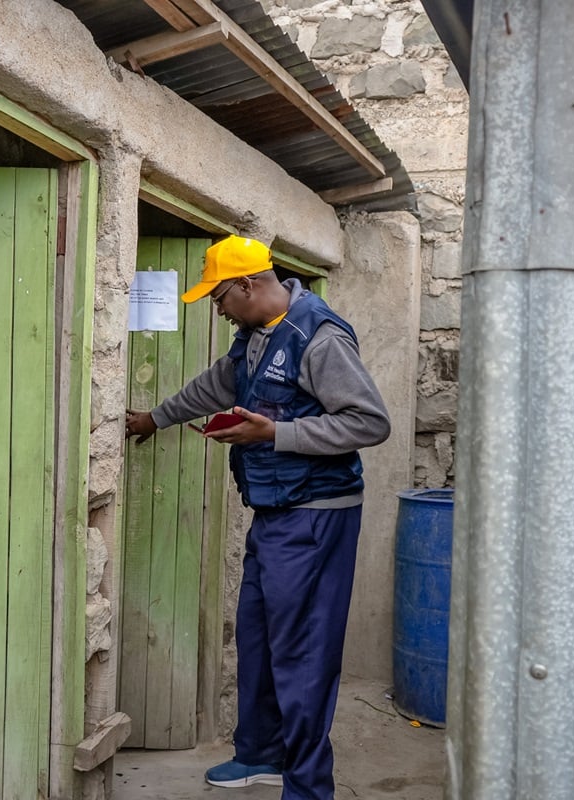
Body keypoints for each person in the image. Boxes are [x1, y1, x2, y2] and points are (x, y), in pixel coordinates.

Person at [125, 235, 390, 800]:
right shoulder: (253, 337)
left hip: (316, 517)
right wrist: (155, 417)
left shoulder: (317, 337)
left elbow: (369, 422)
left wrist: (277, 433)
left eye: (219, 297)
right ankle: (262, 755)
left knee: (302, 651)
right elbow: (214, 386)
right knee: (259, 638)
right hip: (273, 512)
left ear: (248, 285)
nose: (217, 310)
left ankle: (309, 786)